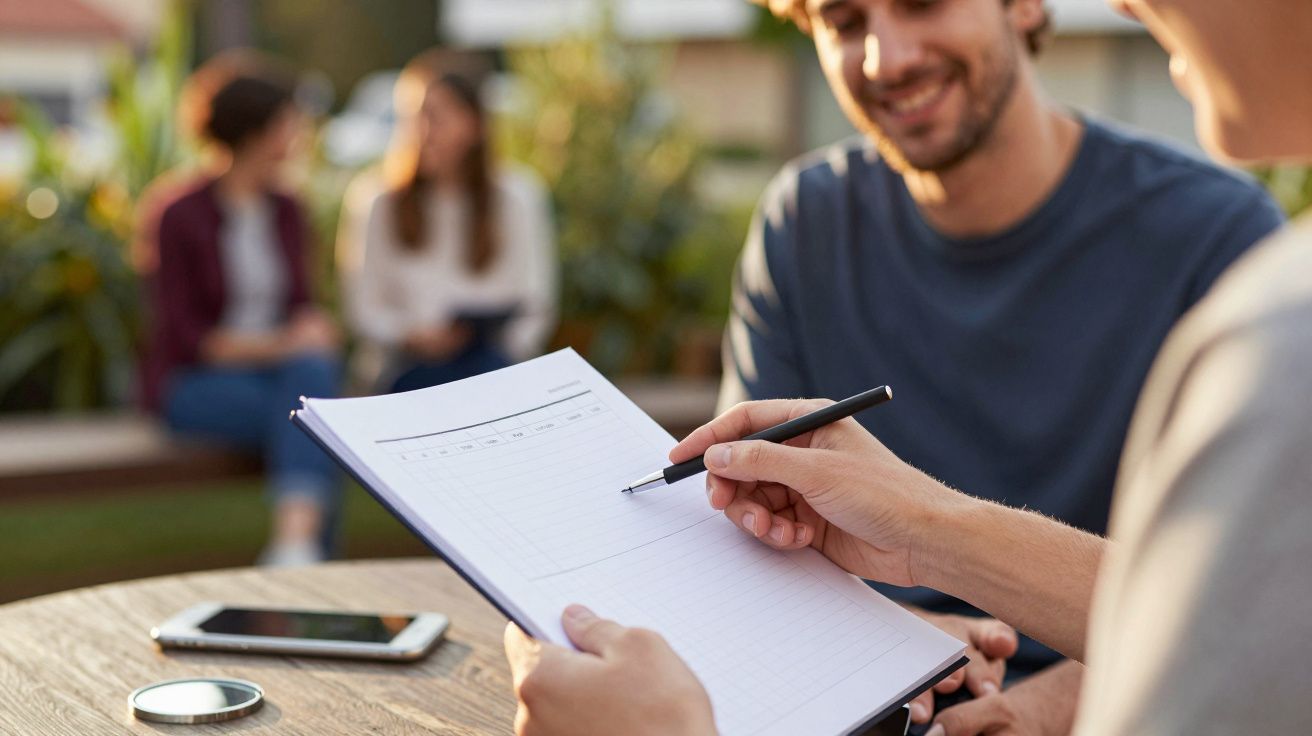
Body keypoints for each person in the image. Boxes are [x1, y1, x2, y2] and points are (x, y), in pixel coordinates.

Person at [501, 0, 1312, 733]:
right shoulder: (805, 223)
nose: (886, 58)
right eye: (844, 20)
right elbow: (753, 546)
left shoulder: (1228, 250)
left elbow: (1254, 622)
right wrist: (884, 647)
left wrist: (1041, 712)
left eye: (923, 2)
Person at [140, 51, 343, 567]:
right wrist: (279, 345)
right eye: (288, 123)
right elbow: (184, 336)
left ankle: (294, 544)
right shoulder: (177, 214)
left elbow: (299, 305)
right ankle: (307, 558)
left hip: (282, 376)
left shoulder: (289, 211)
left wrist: (310, 328)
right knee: (317, 425)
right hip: (196, 383)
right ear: (255, 132)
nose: (298, 135)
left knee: (310, 394)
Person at [338, 50, 557, 395]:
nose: (424, 132)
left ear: (474, 123)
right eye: (413, 118)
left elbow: (534, 306)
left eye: (436, 117)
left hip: (493, 368)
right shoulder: (376, 199)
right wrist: (411, 335)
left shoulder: (517, 197)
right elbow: (364, 309)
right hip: (404, 367)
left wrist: (493, 345)